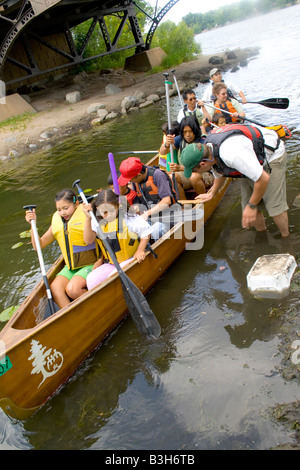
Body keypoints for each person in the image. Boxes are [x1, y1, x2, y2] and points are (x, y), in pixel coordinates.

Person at [180, 124, 289, 238]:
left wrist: (251, 206)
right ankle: (262, 236)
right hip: (248, 158)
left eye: (194, 170)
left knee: (274, 206)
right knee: (248, 205)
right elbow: (219, 171)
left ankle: (286, 238)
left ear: (203, 164)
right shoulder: (209, 153)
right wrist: (212, 193)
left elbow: (263, 178)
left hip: (272, 155)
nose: (196, 173)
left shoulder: (231, 155)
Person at [25, 189, 100, 308]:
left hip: (90, 263)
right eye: (59, 209)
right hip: (71, 266)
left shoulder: (87, 215)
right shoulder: (58, 220)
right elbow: (38, 246)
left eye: (66, 208)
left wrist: (87, 218)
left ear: (76, 204)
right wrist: (32, 224)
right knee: (55, 288)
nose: (62, 213)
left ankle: (97, 309)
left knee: (73, 290)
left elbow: (90, 240)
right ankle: (74, 319)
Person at [82, 189, 152, 290]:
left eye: (111, 210)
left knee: (114, 277)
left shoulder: (128, 217)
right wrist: (88, 219)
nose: (107, 215)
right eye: (103, 212)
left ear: (118, 206)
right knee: (91, 279)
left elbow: (146, 231)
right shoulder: (96, 221)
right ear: (97, 209)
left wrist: (140, 250)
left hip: (130, 258)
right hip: (112, 263)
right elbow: (88, 241)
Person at [118, 156, 178, 239]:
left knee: (156, 230)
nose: (130, 182)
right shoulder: (136, 181)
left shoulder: (157, 175)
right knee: (130, 230)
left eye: (130, 180)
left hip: (169, 215)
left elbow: (167, 201)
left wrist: (147, 214)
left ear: (138, 175)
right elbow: (139, 201)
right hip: (151, 217)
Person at [159, 115, 213, 199]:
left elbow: (200, 167)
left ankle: (203, 200)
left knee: (194, 177)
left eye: (190, 131)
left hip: (205, 173)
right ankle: (184, 205)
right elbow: (163, 152)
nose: (188, 135)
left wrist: (179, 167)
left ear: (195, 131)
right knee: (173, 177)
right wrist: (167, 144)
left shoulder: (203, 141)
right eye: (185, 132)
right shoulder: (180, 139)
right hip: (187, 173)